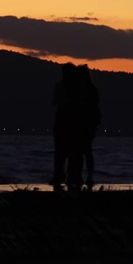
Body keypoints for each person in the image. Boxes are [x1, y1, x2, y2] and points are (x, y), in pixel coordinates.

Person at [51, 63, 82, 192]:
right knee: (66, 152)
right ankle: (66, 177)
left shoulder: (66, 87)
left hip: (66, 120)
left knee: (63, 152)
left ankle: (63, 177)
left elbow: (53, 101)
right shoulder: (76, 88)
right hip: (68, 120)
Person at [76, 65, 101, 191]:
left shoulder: (82, 90)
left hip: (86, 122)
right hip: (89, 122)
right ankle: (86, 176)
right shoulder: (91, 89)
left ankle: (83, 176)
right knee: (86, 150)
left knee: (83, 150)